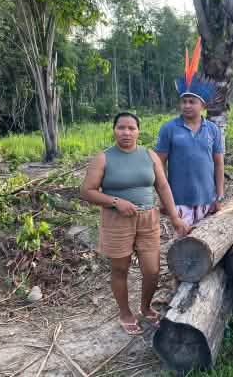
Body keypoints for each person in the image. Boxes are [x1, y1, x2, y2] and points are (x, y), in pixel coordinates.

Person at [80, 112, 190, 335]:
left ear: (138, 131)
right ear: (114, 130)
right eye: (121, 127)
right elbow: (86, 191)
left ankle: (145, 306)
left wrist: (175, 217)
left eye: (131, 128)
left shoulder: (149, 155)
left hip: (148, 219)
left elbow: (163, 187)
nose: (126, 132)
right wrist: (115, 201)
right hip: (116, 221)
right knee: (120, 269)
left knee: (152, 270)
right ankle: (125, 313)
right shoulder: (104, 157)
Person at [155, 36, 225, 226]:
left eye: (191, 102)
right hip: (179, 201)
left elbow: (218, 164)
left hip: (207, 200)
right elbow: (159, 165)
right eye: (184, 101)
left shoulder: (212, 130)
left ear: (202, 105)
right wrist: (163, 199)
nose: (187, 105)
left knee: (210, 245)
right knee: (183, 246)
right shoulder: (169, 128)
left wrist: (219, 196)